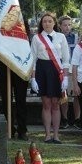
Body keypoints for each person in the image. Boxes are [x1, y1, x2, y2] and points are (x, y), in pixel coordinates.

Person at [30, 12, 70, 144]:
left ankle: (56, 135)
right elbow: (33, 59)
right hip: (42, 70)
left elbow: (65, 59)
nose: (47, 23)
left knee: (56, 104)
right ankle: (47, 135)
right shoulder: (37, 38)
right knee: (46, 104)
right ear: (42, 24)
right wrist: (33, 78)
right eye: (44, 21)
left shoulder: (61, 37)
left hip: (56, 71)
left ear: (54, 23)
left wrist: (65, 77)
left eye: (49, 21)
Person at [0, 19, 29, 140]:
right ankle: (10, 129)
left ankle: (22, 130)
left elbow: (27, 43)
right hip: (4, 67)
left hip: (20, 65)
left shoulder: (22, 21)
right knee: (6, 100)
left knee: (21, 99)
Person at [59, 15, 80, 129]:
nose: (67, 27)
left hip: (75, 69)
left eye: (69, 25)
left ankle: (77, 119)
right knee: (64, 94)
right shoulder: (58, 37)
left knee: (77, 94)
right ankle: (65, 118)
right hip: (62, 69)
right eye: (65, 25)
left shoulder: (76, 37)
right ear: (60, 26)